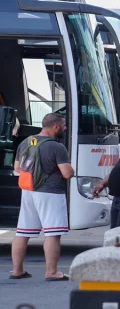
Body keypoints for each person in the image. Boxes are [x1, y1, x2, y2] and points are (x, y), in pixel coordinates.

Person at [11, 113, 72, 281]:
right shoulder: (56, 146)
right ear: (56, 126)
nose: (65, 128)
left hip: (28, 191)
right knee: (53, 233)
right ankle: (52, 272)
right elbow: (67, 173)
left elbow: (17, 167)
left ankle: (17, 270)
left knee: (23, 232)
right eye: (64, 125)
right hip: (50, 193)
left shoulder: (26, 142)